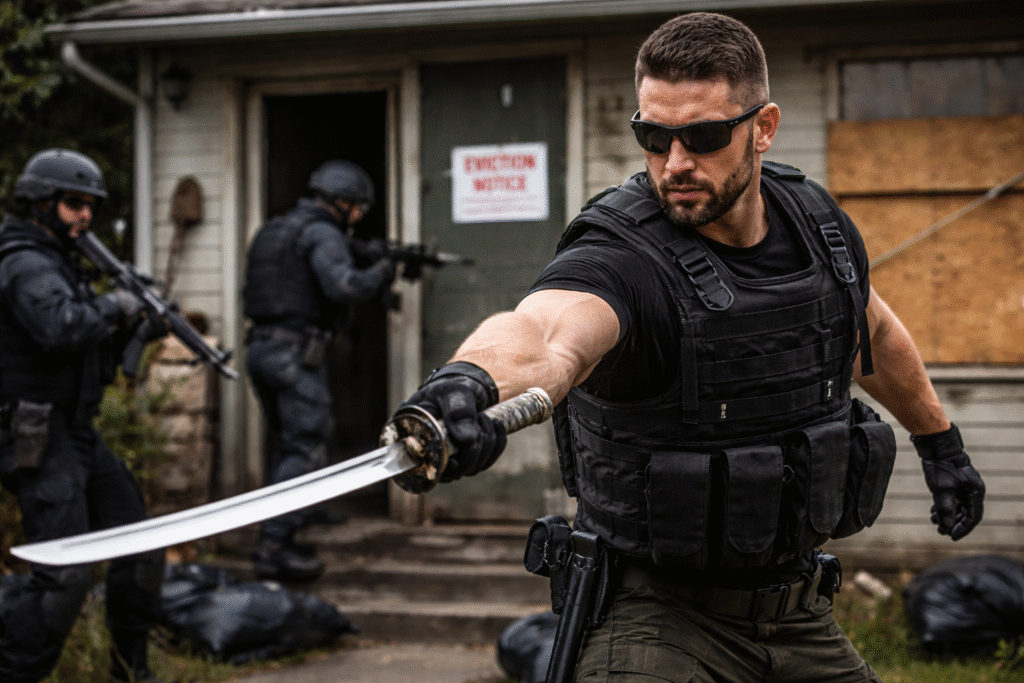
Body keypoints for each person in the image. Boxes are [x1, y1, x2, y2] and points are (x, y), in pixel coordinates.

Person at [394, 12, 986, 683]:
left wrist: (941, 444)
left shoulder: (819, 226)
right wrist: (469, 383)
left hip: (798, 610)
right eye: (653, 136)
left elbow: (868, 330)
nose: (674, 164)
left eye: (702, 136)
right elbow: (546, 331)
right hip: (657, 617)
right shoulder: (624, 257)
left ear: (762, 128)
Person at [0, 149, 172, 683]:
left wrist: (136, 324)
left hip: (74, 434)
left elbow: (84, 352)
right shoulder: (24, 262)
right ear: (39, 203)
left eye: (91, 206)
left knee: (139, 546)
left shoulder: (59, 263)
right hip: (36, 434)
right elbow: (60, 328)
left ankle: (129, 671)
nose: (85, 216)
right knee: (65, 574)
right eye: (74, 204)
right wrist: (114, 306)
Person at [242, 159, 397, 582]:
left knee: (293, 441)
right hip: (293, 353)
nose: (359, 218)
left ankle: (301, 510)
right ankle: (273, 548)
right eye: (358, 209)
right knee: (306, 444)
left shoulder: (275, 230)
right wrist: (382, 271)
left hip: (261, 348)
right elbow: (344, 286)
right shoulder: (322, 233)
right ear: (342, 202)